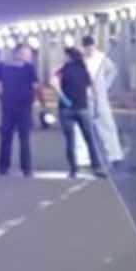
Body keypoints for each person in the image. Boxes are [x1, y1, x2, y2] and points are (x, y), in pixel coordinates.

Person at [54, 47, 106, 179]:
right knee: (90, 139)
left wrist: (63, 97)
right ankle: (97, 167)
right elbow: (92, 86)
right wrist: (95, 104)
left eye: (64, 56)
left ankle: (73, 169)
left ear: (69, 57)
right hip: (82, 107)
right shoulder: (84, 70)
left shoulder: (63, 69)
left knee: (70, 140)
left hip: (66, 108)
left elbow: (53, 82)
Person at [74, 35, 125, 168]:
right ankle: (82, 157)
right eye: (86, 48)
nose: (89, 50)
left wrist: (106, 86)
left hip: (100, 97)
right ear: (83, 47)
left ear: (94, 46)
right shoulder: (79, 59)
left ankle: (115, 156)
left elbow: (112, 71)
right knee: (82, 127)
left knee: (107, 125)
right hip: (84, 97)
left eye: (91, 47)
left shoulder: (101, 58)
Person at [0, 45, 39, 176]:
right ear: (18, 54)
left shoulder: (24, 67)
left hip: (15, 107)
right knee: (18, 138)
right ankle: (23, 168)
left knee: (12, 138)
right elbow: (35, 86)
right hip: (17, 107)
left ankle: (9, 167)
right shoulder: (24, 68)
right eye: (27, 54)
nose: (29, 57)